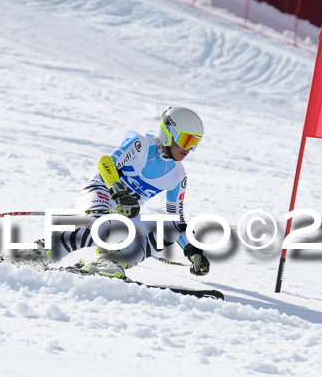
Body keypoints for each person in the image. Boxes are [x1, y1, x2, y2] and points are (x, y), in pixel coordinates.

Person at [15, 106, 210, 278]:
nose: (189, 149)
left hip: (124, 214)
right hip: (100, 193)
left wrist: (194, 251)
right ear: (169, 133)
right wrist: (118, 192)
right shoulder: (141, 145)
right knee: (99, 225)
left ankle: (111, 262)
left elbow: (178, 221)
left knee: (169, 228)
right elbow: (106, 163)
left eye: (195, 143)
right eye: (186, 140)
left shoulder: (177, 176)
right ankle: (40, 252)